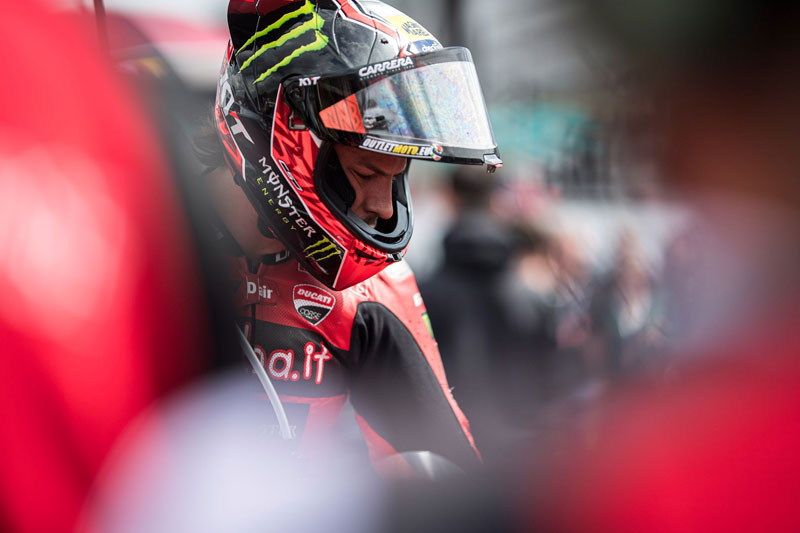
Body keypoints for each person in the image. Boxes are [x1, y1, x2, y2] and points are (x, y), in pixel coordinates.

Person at [198, 0, 503, 473]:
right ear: (287, 138)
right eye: (366, 173)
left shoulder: (374, 289)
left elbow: (453, 476)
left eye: (396, 177)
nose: (384, 208)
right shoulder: (145, 241)